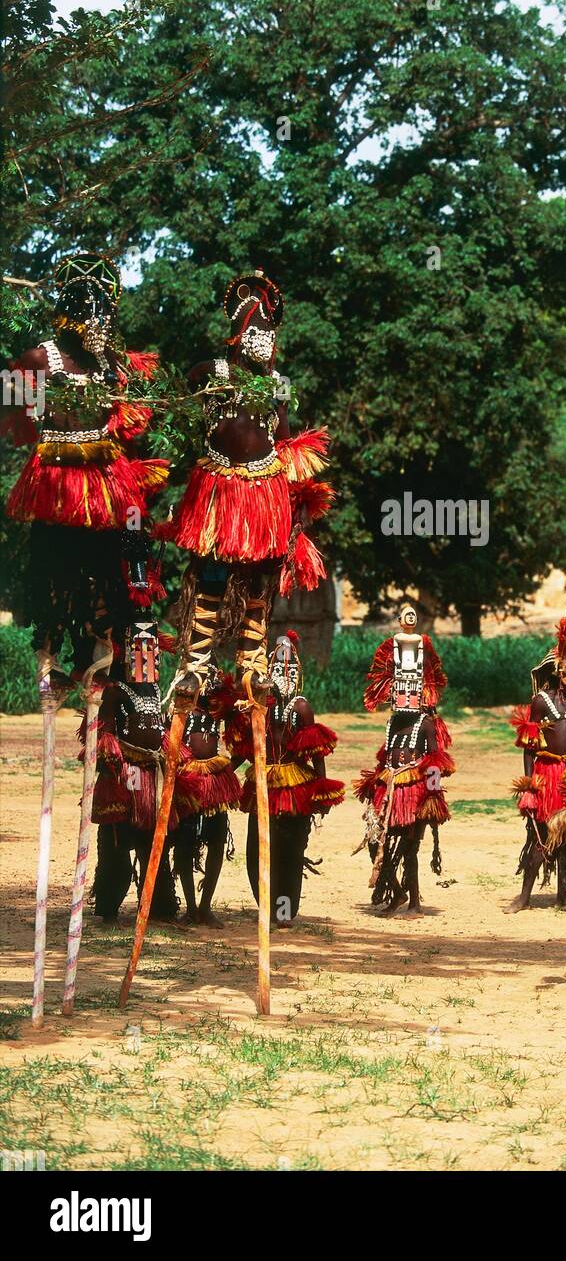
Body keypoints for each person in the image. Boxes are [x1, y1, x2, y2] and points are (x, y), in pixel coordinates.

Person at [158, 268, 331, 703]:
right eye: (255, 327)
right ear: (237, 330)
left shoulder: (278, 385)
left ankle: (252, 658)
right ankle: (197, 660)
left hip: (266, 490)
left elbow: (287, 441)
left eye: (269, 329)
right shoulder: (209, 373)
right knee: (213, 572)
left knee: (260, 577)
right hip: (219, 489)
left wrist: (301, 497)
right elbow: (179, 418)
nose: (263, 337)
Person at [4, 253, 167, 687]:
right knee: (54, 572)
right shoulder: (38, 360)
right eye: (94, 315)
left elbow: (132, 432)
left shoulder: (114, 369)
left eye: (107, 316)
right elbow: (16, 417)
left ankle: (106, 653)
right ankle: (50, 654)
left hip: (107, 486)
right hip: (57, 485)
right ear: (72, 314)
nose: (101, 325)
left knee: (115, 570)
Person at [229, 633, 343, 926]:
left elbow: (317, 754)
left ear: (298, 673)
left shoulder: (302, 708)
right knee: (258, 850)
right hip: (263, 786)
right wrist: (224, 774)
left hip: (295, 788)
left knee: (290, 852)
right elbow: (245, 749)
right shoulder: (258, 706)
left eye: (290, 669)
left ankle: (283, 913)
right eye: (278, 668)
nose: (284, 674)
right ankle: (266, 907)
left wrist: (321, 790)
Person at [355, 605, 453, 916]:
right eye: (401, 690)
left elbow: (435, 759)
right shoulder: (393, 722)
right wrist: (375, 784)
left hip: (414, 792)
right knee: (375, 840)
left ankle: (415, 901)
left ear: (421, 692)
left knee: (410, 849)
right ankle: (395, 892)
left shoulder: (425, 722)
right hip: (390, 787)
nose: (406, 695)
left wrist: (433, 796)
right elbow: (384, 757)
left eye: (411, 690)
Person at [509, 609, 566, 910]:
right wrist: (528, 784)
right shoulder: (541, 700)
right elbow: (529, 745)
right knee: (542, 834)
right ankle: (524, 897)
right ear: (559, 669)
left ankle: (563, 897)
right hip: (547, 774)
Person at [89, 620, 176, 922]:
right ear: (127, 654)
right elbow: (105, 733)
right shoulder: (115, 692)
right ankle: (109, 906)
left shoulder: (156, 691)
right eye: (139, 651)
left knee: (153, 845)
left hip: (153, 775)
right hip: (126, 778)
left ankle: (157, 906)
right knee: (118, 844)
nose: (145, 658)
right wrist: (115, 762)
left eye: (150, 651)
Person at [172, 668, 243, 927]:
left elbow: (243, 741)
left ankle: (205, 907)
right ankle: (190, 907)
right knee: (184, 844)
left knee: (217, 841)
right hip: (187, 783)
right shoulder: (179, 706)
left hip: (214, 784)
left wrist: (224, 769)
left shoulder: (221, 711)